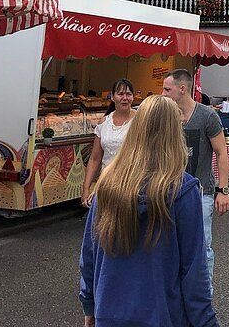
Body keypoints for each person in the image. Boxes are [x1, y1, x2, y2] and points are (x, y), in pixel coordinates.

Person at [79, 94, 218, 327]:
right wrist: (206, 321)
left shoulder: (107, 184)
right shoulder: (183, 191)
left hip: (110, 314)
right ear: (176, 133)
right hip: (164, 316)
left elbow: (89, 255)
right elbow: (194, 273)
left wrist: (89, 305)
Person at [162, 69, 229, 294]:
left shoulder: (207, 116)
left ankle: (203, 294)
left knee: (201, 245)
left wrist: (223, 190)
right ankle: (176, 292)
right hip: (169, 192)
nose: (163, 94)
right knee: (170, 244)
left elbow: (221, 152)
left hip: (202, 192)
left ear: (182, 89)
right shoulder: (166, 117)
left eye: (167, 89)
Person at [82, 78, 136, 207]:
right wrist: (86, 188)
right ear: (112, 97)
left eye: (128, 94)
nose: (125, 98)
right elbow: (95, 158)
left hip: (131, 185)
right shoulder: (103, 123)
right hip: (107, 184)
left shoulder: (140, 120)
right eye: (120, 94)